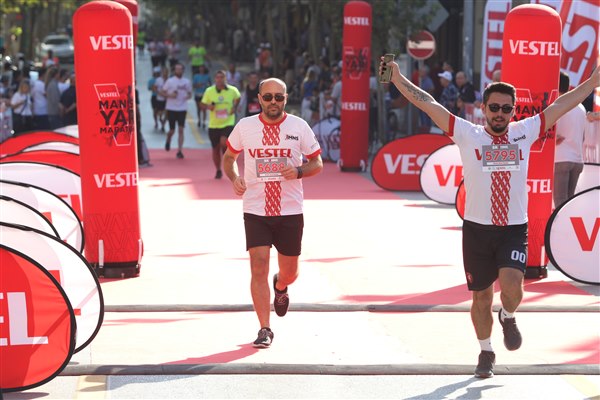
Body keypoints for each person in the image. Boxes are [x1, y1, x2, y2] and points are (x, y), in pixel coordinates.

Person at [380, 57, 600, 379]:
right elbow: (427, 103)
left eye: (506, 109)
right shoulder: (467, 133)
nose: (500, 114)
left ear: (513, 111)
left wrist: (592, 83)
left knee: (512, 287)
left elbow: (561, 105)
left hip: (513, 228)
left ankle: (508, 315)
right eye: (494, 107)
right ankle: (486, 351)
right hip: (477, 230)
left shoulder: (525, 131)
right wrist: (399, 79)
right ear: (483, 108)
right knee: (481, 297)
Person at [222, 77, 323, 348]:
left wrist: (298, 171)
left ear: (286, 99)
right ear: (259, 99)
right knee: (258, 266)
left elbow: (317, 162)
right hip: (255, 209)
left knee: (290, 272)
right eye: (268, 97)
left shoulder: (299, 126)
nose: (273, 102)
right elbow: (229, 158)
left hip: (290, 210)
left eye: (279, 97)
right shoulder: (245, 126)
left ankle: (281, 286)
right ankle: (264, 328)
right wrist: (234, 178)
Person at [553, 72, 586, 208]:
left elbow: (554, 136)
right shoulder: (580, 107)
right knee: (569, 204)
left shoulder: (558, 104)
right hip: (577, 159)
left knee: (560, 203)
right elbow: (582, 136)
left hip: (561, 158)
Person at [201, 70, 241, 178]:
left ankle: (227, 157)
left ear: (225, 78)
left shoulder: (233, 90)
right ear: (215, 79)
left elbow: (238, 98)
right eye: (217, 77)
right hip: (214, 124)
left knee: (224, 142)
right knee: (215, 149)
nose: (219, 79)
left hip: (228, 122)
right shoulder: (209, 91)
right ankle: (218, 170)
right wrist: (209, 107)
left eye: (222, 77)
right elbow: (202, 104)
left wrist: (234, 107)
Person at [162, 63, 192, 159]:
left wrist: (187, 96)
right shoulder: (170, 81)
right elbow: (162, 92)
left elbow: (190, 94)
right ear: (174, 70)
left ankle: (180, 150)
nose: (178, 71)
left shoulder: (186, 82)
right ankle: (168, 139)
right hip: (171, 108)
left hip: (182, 108)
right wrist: (170, 95)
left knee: (181, 129)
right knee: (172, 130)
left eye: (180, 69)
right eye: (177, 69)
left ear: (183, 70)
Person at [153, 67, 169, 131]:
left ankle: (163, 124)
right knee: (159, 113)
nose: (165, 73)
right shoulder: (158, 80)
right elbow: (154, 88)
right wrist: (159, 93)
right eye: (164, 72)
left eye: (166, 72)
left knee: (167, 113)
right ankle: (160, 120)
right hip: (159, 99)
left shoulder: (170, 80)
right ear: (162, 73)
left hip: (167, 99)